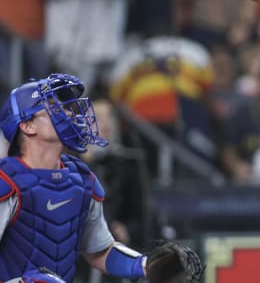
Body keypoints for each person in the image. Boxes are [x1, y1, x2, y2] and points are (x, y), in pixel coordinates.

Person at [0, 73, 202, 282]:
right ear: (27, 126)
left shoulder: (80, 178)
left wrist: (144, 265)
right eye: (53, 107)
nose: (68, 114)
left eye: (66, 107)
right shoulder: (6, 180)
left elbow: (100, 251)